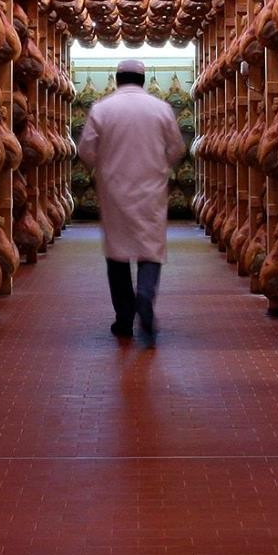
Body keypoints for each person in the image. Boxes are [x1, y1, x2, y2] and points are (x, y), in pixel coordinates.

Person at [77, 59, 187, 344]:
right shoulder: (161, 108)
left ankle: (124, 318)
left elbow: (86, 150)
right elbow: (177, 148)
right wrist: (161, 165)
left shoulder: (102, 108)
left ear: (116, 79)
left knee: (118, 254)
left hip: (114, 190)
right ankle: (145, 297)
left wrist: (103, 166)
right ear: (142, 80)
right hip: (151, 188)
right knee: (150, 249)